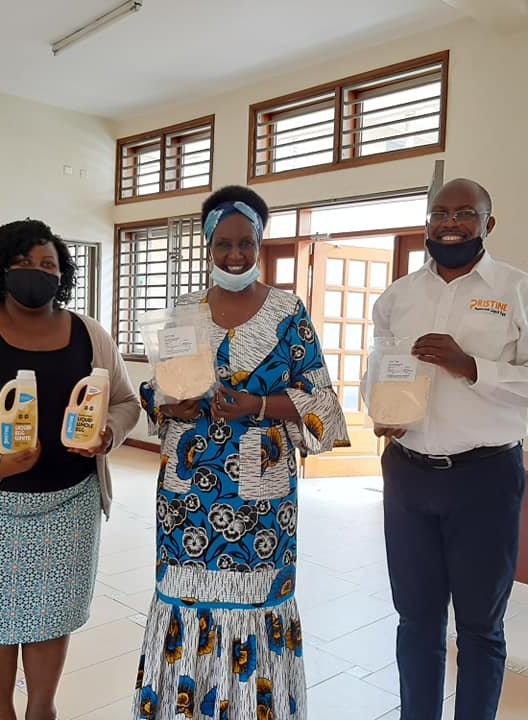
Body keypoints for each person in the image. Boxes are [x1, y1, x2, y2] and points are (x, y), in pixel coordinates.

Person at [0, 219, 140, 720]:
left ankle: (42, 710)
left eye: (48, 265)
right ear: (0, 270)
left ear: (64, 273)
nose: (37, 273)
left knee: (50, 614)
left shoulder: (89, 334)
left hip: (69, 504)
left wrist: (108, 436)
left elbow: (124, 402)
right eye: (23, 264)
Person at [132, 186, 349, 720]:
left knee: (255, 603)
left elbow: (323, 402)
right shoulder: (183, 312)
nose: (235, 255)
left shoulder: (288, 313)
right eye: (224, 243)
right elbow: (155, 389)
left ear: (259, 243)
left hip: (261, 496)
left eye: (245, 243)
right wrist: (167, 403)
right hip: (187, 494)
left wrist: (259, 404)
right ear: (208, 245)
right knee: (184, 596)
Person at [362, 179, 528, 720]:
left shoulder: (524, 293)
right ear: (427, 222)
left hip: (485, 478)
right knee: (415, 619)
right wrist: (382, 409)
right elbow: (377, 372)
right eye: (439, 213)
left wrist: (472, 367)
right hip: (408, 476)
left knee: (479, 626)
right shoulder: (398, 297)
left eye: (464, 213)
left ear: (488, 224)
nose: (450, 223)